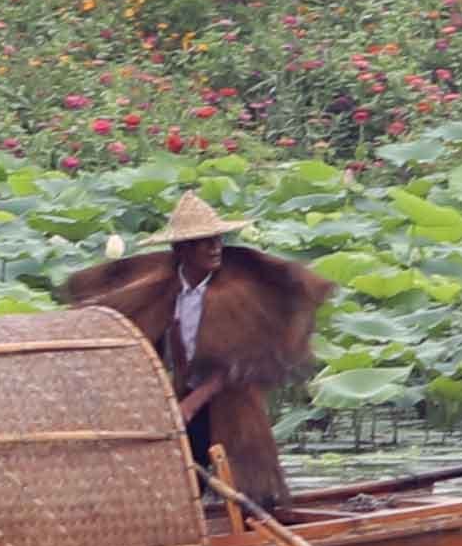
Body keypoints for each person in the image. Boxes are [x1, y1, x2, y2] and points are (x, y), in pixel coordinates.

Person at [58, 195, 332, 508]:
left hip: (231, 400)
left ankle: (250, 536)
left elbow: (231, 367)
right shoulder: (166, 288)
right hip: (187, 393)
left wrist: (190, 405)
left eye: (217, 240)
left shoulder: (231, 293)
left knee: (250, 492)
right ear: (182, 250)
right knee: (175, 484)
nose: (215, 248)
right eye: (205, 242)